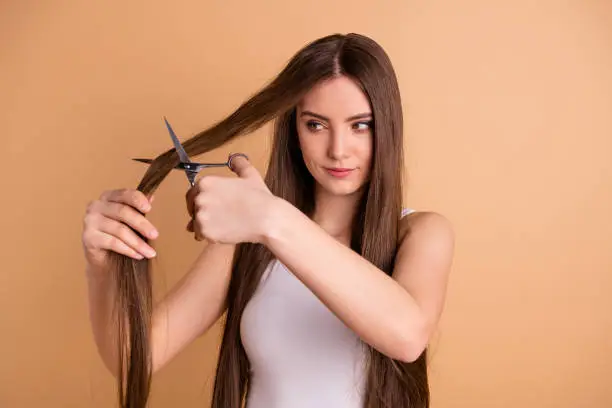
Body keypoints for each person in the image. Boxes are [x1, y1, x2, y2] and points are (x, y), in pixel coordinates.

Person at [81, 33, 455, 408]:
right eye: (316, 125)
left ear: (387, 127)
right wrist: (100, 266)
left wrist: (270, 217)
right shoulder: (249, 240)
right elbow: (132, 359)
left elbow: (406, 336)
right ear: (293, 129)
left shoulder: (420, 233)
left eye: (361, 125)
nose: (338, 150)